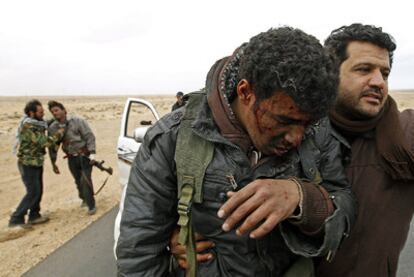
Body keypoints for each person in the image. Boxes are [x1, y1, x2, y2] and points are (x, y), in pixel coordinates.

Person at [116, 27, 356, 276]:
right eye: (284, 121)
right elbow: (139, 254)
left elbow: (345, 205)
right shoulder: (173, 138)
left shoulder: (317, 131)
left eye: (307, 124)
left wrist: (301, 198)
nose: (296, 138)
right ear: (245, 92)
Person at [314, 23, 414, 277]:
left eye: (385, 73)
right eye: (364, 70)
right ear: (331, 74)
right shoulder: (297, 134)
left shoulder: (406, 134)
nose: (379, 82)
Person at [9, 100, 65, 228]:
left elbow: (46, 122)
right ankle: (16, 219)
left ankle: (34, 215)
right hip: (27, 164)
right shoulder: (28, 127)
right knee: (32, 191)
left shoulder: (38, 124)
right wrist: (60, 132)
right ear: (31, 113)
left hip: (37, 162)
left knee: (38, 190)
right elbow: (44, 142)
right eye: (40, 112)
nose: (43, 113)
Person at [47, 100, 98, 215]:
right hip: (71, 158)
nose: (55, 113)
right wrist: (53, 163)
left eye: (57, 110)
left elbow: (89, 137)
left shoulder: (77, 121)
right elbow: (53, 146)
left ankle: (91, 205)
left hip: (84, 156)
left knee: (85, 180)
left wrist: (92, 153)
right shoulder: (53, 128)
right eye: (52, 112)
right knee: (78, 181)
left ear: (64, 110)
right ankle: (84, 198)